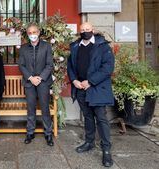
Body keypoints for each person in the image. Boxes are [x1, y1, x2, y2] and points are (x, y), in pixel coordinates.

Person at [67, 22, 114, 167]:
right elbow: (70, 65)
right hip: (80, 87)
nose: (85, 32)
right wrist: (74, 80)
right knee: (87, 117)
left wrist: (90, 81)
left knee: (101, 119)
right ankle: (89, 142)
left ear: (92, 30)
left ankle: (106, 150)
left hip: (96, 88)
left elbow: (108, 68)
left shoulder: (103, 46)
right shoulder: (75, 46)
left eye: (88, 30)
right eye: (82, 30)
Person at [18, 23, 54, 146]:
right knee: (31, 108)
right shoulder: (23, 48)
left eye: (34, 32)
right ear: (27, 34)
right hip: (29, 83)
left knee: (45, 108)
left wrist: (40, 78)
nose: (32, 35)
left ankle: (48, 133)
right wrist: (31, 78)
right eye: (30, 33)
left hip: (43, 82)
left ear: (38, 33)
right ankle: (30, 132)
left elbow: (49, 64)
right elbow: (21, 65)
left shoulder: (46, 46)